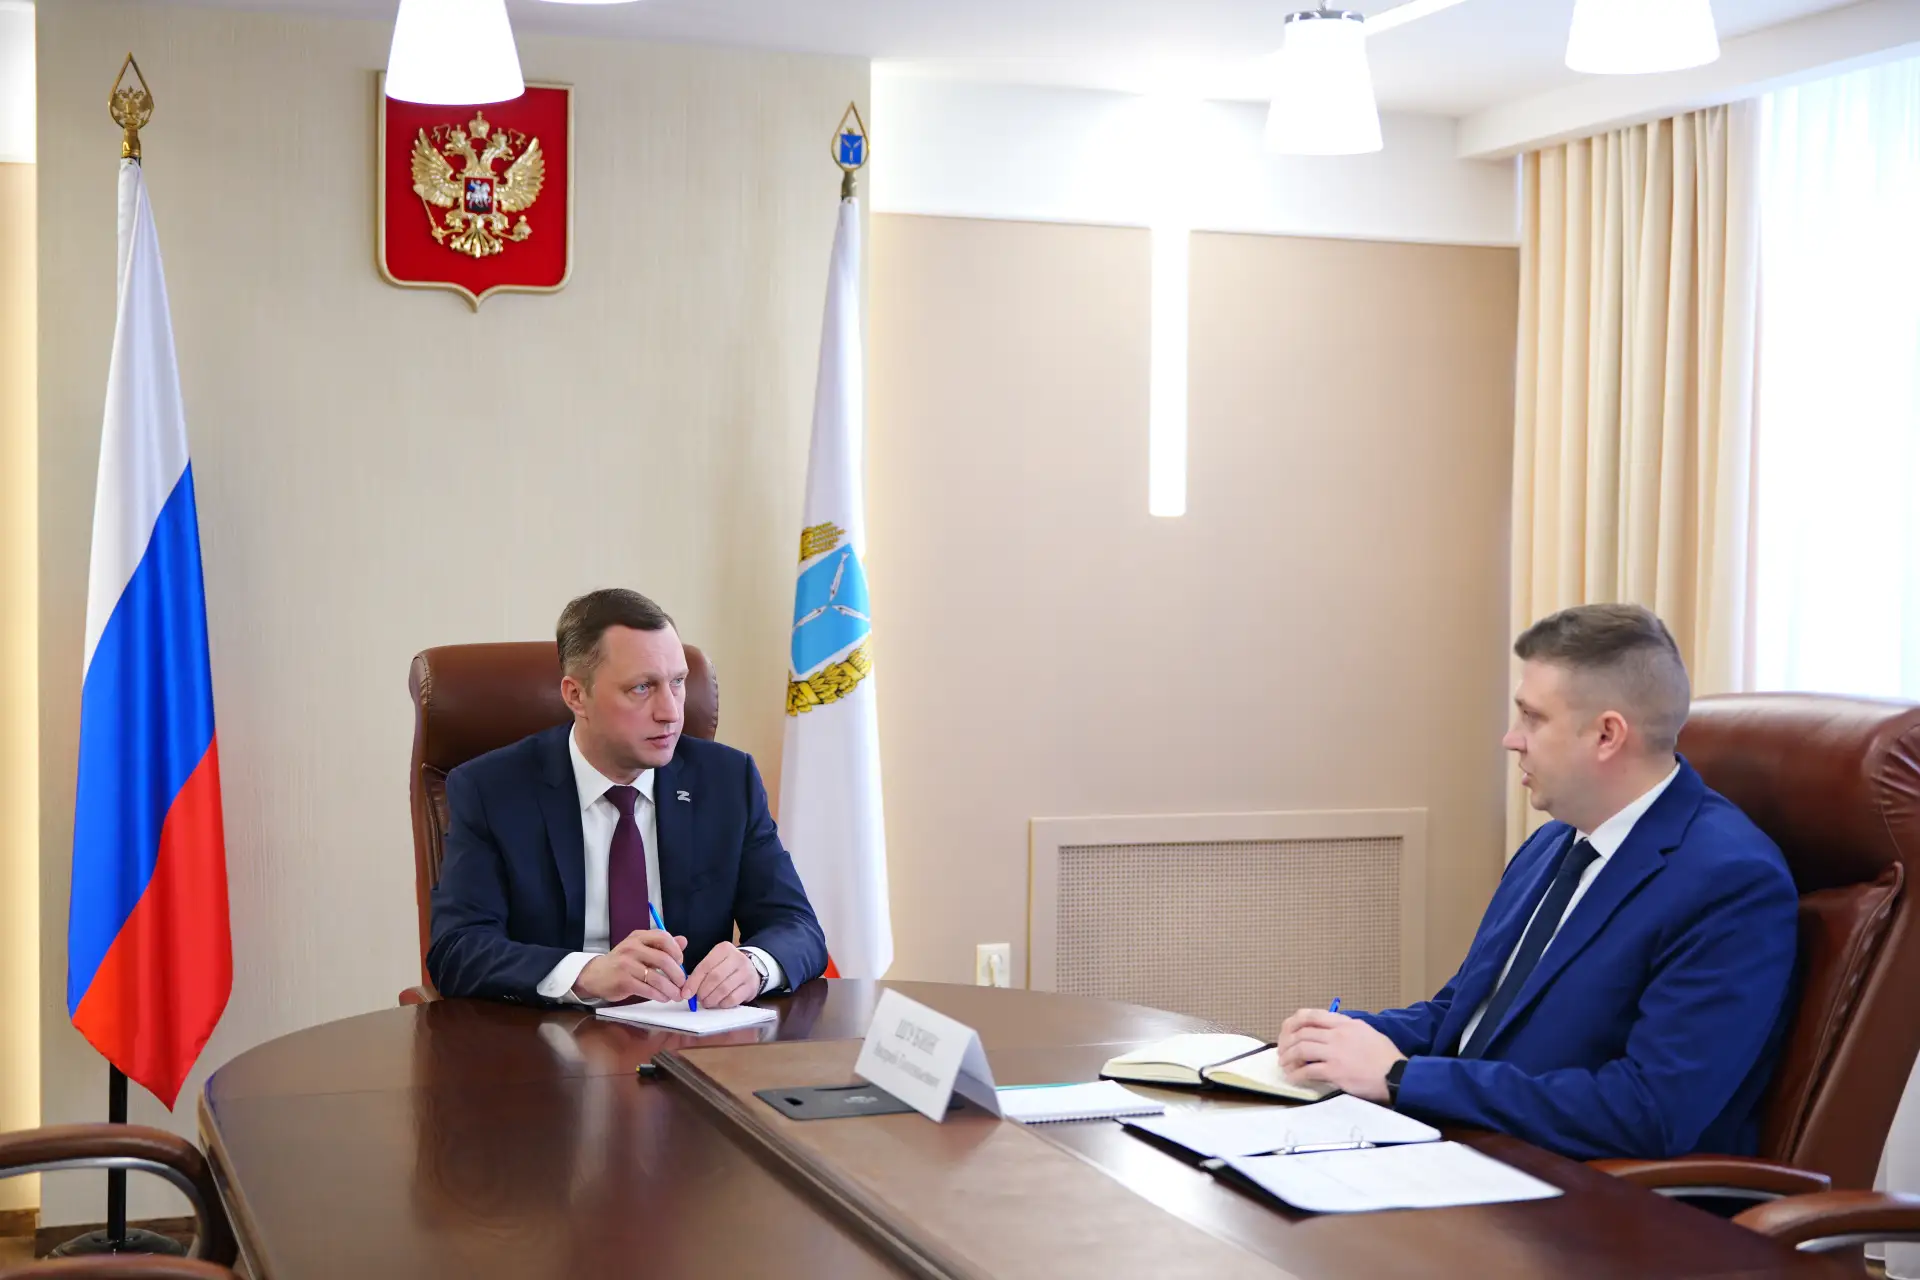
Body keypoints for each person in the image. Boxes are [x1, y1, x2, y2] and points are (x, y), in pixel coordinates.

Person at [1276, 604, 1798, 1160]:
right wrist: (1340, 1037)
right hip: (1466, 1148)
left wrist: (1402, 1077)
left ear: (1606, 735)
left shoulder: (1731, 883)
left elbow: (1648, 1111)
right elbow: (1466, 1014)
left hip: (1581, 1190)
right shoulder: (1555, 841)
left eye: (1532, 718)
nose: (1511, 739)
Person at [428, 589, 827, 1007]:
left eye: (678, 682)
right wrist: (586, 973)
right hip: (550, 1035)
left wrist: (754, 966)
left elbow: (798, 927)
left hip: (688, 1031)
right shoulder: (492, 790)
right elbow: (459, 949)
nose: (671, 711)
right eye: (641, 687)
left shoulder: (727, 781)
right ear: (576, 695)